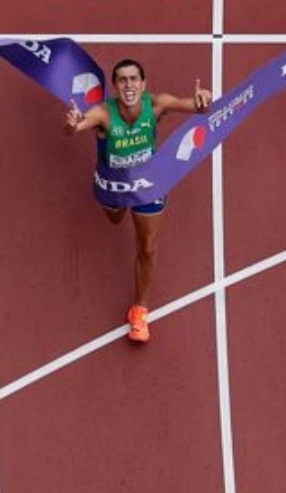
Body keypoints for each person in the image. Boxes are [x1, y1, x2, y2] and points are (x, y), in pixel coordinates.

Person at [63, 59, 212, 343]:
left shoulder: (156, 105)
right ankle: (118, 207)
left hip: (147, 185)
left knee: (147, 247)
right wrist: (71, 126)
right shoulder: (104, 114)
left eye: (134, 79)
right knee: (115, 219)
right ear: (116, 87)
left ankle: (139, 311)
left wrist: (203, 102)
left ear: (143, 85)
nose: (129, 85)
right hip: (112, 185)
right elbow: (78, 125)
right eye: (122, 80)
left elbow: (196, 106)